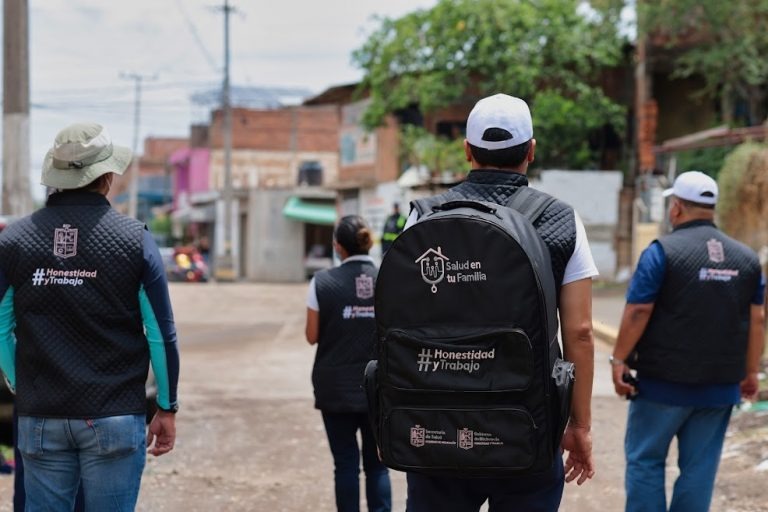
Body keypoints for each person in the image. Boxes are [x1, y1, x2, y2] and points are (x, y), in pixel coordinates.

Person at [402, 93, 598, 511]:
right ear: (531, 150)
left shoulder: (424, 216)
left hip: (438, 423)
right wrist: (579, 425)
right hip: (529, 421)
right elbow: (580, 332)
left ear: (468, 150)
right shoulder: (563, 220)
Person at [0, 122, 180, 511]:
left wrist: (20, 382)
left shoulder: (14, 241)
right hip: (114, 414)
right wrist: (167, 406)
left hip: (40, 415)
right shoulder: (135, 240)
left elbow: (1, 326)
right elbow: (160, 334)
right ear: (108, 176)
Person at [611, 171, 765, 512]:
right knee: (699, 468)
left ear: (676, 208)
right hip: (719, 387)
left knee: (646, 461)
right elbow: (757, 320)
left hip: (661, 386)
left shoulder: (662, 252)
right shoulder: (747, 259)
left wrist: (619, 359)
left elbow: (638, 310)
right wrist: (750, 372)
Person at [305, 215, 392, 512]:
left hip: (335, 388)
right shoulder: (388, 279)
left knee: (345, 465)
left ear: (337, 246)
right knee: (379, 466)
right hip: (380, 388)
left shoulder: (322, 282)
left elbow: (311, 336)